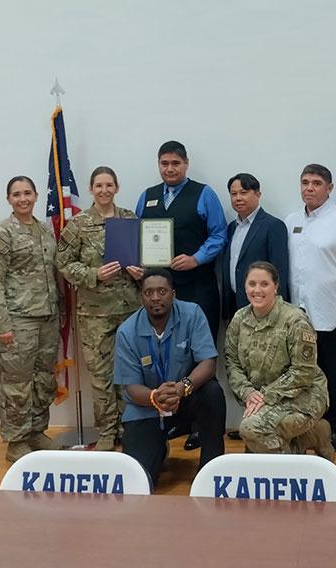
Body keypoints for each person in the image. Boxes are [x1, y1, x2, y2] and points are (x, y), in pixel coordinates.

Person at [136, 140, 227, 451]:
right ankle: (175, 420)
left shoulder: (204, 194)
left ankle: (201, 426)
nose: (170, 169)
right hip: (159, 294)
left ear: (186, 164)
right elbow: (138, 237)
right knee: (165, 354)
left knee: (198, 355)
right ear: (158, 165)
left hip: (197, 286)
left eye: (175, 163)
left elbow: (219, 234)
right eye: (164, 163)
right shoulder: (147, 197)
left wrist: (197, 258)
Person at [113, 268, 226, 488]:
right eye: (149, 293)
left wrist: (183, 388)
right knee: (139, 481)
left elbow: (208, 363)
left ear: (173, 294)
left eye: (162, 291)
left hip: (184, 399)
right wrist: (156, 396)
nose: (155, 298)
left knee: (212, 392)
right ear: (141, 297)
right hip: (147, 408)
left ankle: (212, 470)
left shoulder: (192, 314)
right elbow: (131, 387)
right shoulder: (127, 332)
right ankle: (158, 447)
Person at [56, 166, 142, 451]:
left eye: (109, 185)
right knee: (102, 376)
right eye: (98, 185)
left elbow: (147, 255)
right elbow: (63, 263)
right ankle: (106, 430)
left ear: (117, 187)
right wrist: (94, 274)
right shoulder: (79, 224)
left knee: (130, 372)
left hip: (130, 309)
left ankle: (129, 427)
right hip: (95, 314)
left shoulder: (130, 219)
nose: (104, 190)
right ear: (91, 189)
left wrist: (141, 271)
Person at [284, 164, 336, 451]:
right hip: (297, 317)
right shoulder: (291, 221)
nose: (309, 187)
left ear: (329, 188)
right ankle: (309, 430)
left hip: (333, 316)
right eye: (305, 182)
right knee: (304, 378)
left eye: (317, 183)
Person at [0, 175, 64, 463]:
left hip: (46, 318)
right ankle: (16, 440)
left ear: (36, 196)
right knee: (17, 385)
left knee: (43, 380)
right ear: (9, 199)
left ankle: (36, 432)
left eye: (27, 193)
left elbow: (54, 275)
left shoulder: (44, 231)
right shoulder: (1, 233)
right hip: (16, 321)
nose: (23, 199)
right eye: (16, 194)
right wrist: (2, 324)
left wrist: (60, 312)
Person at [224, 262, 333, 459]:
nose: (257, 290)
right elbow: (232, 362)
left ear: (276, 286)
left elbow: (303, 373)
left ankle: (293, 469)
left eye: (264, 284)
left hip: (304, 396)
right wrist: (248, 392)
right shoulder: (239, 319)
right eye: (252, 284)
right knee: (255, 442)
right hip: (262, 400)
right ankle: (312, 435)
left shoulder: (295, 320)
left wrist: (266, 396)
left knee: (251, 430)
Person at [221, 173, 290, 320]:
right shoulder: (231, 228)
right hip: (235, 305)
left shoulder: (273, 226)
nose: (238, 198)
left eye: (244, 193)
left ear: (258, 194)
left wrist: (277, 311)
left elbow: (280, 271)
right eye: (233, 194)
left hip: (263, 307)